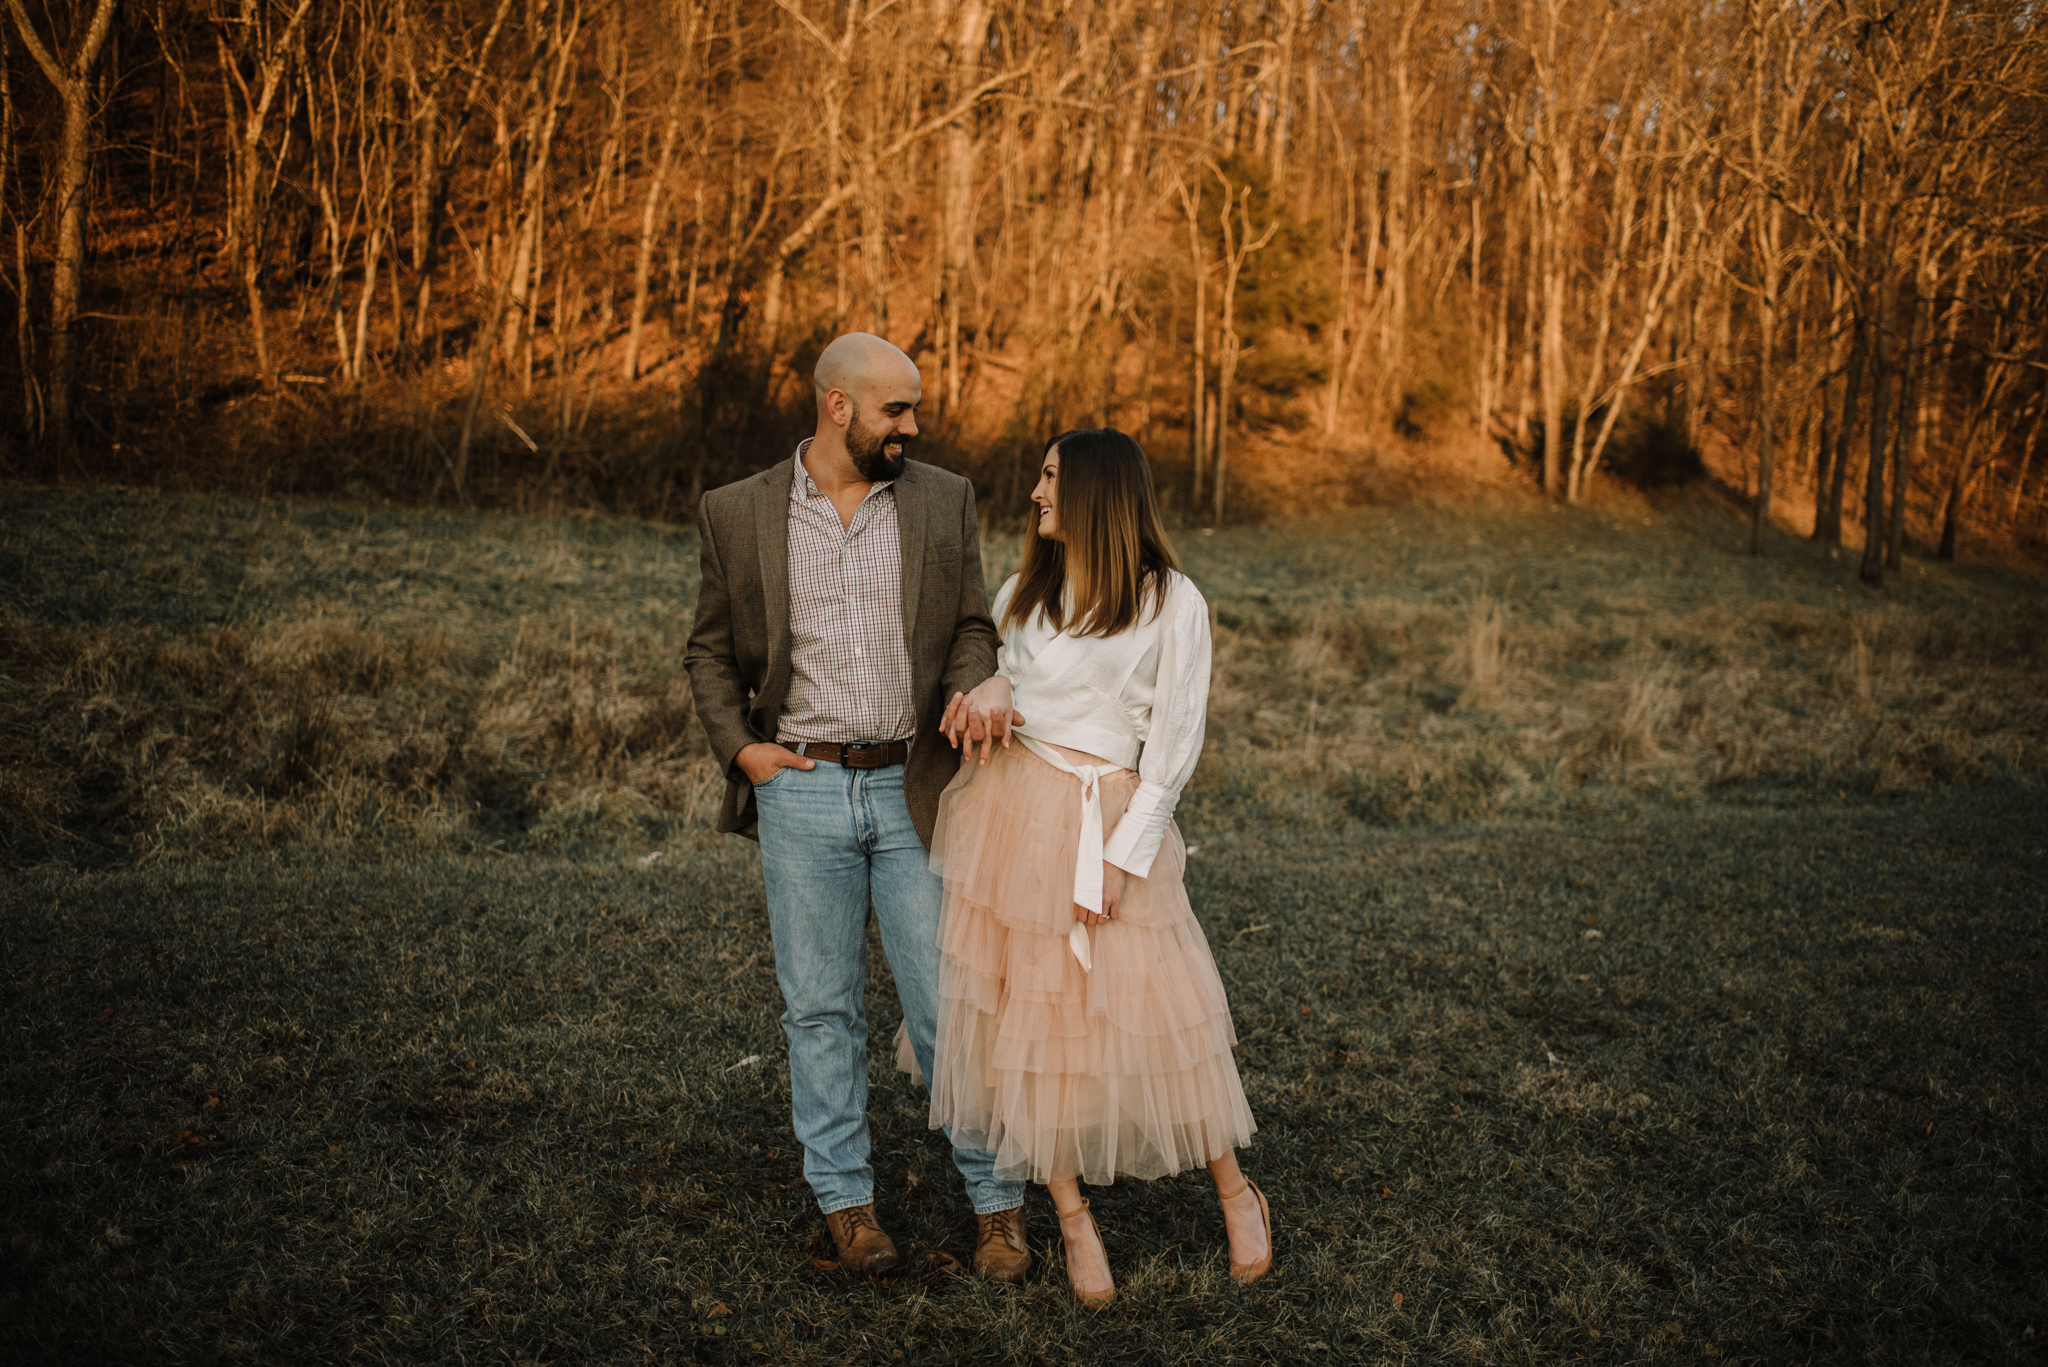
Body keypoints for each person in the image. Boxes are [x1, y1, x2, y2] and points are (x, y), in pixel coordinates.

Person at [683, 333, 1033, 1283]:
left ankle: (1000, 1210)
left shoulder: (941, 498)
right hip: (799, 789)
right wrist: (745, 751)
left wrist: (975, 685)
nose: (912, 427)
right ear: (839, 406)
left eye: (914, 410)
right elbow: (709, 652)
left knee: (947, 1006)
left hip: (913, 784)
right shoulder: (736, 511)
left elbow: (972, 623)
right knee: (820, 1010)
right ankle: (847, 1208)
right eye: (897, 410)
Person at [924, 427, 1271, 1306]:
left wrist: (1125, 855)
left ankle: (1237, 1189)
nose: (1035, 492)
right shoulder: (1018, 596)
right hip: (1012, 816)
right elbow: (996, 695)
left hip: (1105, 817)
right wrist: (986, 694)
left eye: (1048, 477)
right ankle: (1073, 1217)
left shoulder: (1169, 600)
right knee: (1030, 1023)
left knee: (1159, 1006)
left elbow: (1177, 744)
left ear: (1095, 493)